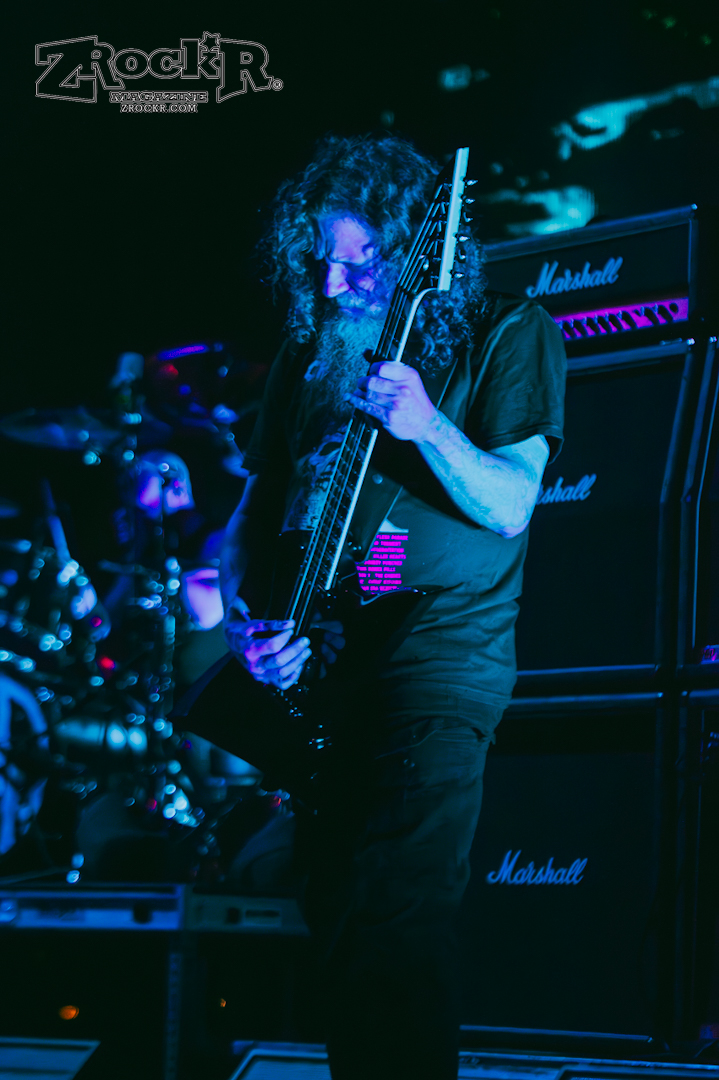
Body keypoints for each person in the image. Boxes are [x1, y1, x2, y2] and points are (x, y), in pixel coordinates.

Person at [219, 134, 566, 1079]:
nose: (335, 284)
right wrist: (251, 623)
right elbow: (257, 507)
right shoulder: (311, 357)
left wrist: (427, 424)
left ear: (421, 250)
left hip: (434, 665)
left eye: (361, 259)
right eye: (321, 261)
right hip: (327, 676)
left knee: (395, 926)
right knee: (337, 929)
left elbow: (510, 502)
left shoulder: (507, 329)